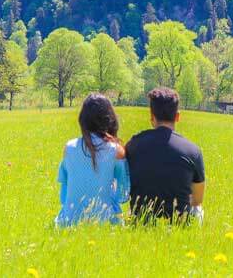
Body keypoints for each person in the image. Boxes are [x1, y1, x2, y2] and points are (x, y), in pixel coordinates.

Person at [125, 87, 205, 223]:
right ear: (177, 116)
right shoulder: (193, 150)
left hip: (140, 221)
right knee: (199, 210)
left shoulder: (133, 144)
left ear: (151, 117)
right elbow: (197, 200)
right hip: (178, 222)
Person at [56, 93, 129, 226]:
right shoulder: (116, 150)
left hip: (69, 221)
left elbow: (64, 194)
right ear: (109, 119)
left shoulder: (69, 147)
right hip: (105, 221)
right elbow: (123, 193)